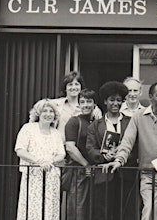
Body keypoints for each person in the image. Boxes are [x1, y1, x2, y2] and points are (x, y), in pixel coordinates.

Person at [102, 81, 157, 220]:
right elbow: (127, 142)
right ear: (150, 97)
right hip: (147, 174)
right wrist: (119, 160)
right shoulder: (138, 117)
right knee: (148, 211)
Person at [85, 81, 135, 220]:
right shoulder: (95, 125)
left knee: (124, 212)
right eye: (112, 100)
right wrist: (103, 156)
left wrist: (122, 155)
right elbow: (90, 148)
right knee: (102, 212)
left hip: (126, 174)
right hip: (103, 175)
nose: (115, 103)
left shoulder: (131, 122)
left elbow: (136, 146)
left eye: (119, 100)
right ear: (105, 101)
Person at [15, 99, 66, 220]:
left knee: (49, 209)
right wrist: (39, 161)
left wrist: (50, 162)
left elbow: (61, 154)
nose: (48, 114)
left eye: (51, 111)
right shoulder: (28, 128)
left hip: (51, 176)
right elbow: (20, 150)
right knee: (33, 208)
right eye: (45, 111)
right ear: (38, 113)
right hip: (33, 176)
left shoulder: (56, 133)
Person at [64, 89, 96, 220]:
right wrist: (86, 165)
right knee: (77, 208)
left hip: (93, 172)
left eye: (89, 101)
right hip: (78, 171)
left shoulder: (95, 122)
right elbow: (70, 148)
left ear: (95, 104)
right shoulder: (74, 121)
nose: (86, 105)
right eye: (82, 102)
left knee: (91, 208)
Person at [53, 71, 102, 140]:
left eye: (76, 84)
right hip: (59, 145)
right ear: (65, 88)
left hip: (81, 147)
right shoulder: (56, 104)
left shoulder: (93, 108)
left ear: (81, 87)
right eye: (70, 84)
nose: (73, 87)